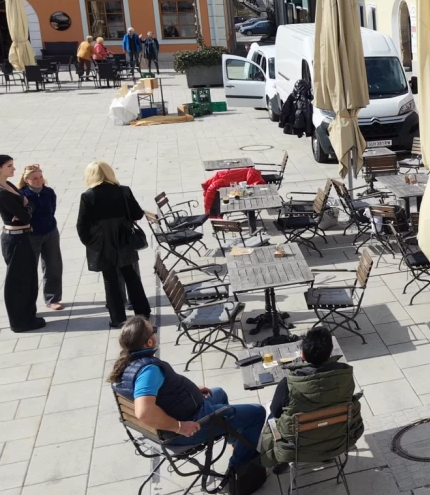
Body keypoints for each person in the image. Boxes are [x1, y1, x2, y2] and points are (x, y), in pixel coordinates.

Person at [109, 317, 266, 470]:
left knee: (218, 393)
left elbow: (163, 392)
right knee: (257, 412)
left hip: (182, 413)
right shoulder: (149, 371)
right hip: (187, 426)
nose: (155, 333)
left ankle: (238, 444)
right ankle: (239, 466)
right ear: (149, 342)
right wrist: (179, 427)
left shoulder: (126, 364)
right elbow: (144, 412)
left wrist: (192, 390)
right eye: (153, 330)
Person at [258, 326, 363, 470]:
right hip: (337, 440)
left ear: (303, 355)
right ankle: (324, 454)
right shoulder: (345, 375)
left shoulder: (288, 384)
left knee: (268, 412)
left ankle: (279, 461)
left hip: (297, 448)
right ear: (329, 353)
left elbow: (275, 412)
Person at [76, 161, 150, 328]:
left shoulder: (88, 196)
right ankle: (143, 312)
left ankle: (118, 318)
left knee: (110, 280)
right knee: (131, 276)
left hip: (102, 242)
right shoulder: (123, 191)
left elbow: (82, 225)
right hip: (123, 238)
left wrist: (90, 242)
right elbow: (137, 213)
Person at [0, 155, 44, 333]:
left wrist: (25, 207)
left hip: (23, 235)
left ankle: (29, 315)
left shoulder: (9, 185)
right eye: (9, 166)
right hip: (15, 238)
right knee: (17, 281)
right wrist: (25, 207)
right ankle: (19, 321)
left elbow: (28, 207)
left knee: (29, 279)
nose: (13, 169)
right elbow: (27, 214)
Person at [20, 164, 63, 311]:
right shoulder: (22, 195)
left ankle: (52, 298)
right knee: (29, 269)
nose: (39, 181)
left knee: (54, 266)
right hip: (32, 235)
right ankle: (28, 302)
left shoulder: (49, 192)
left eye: (40, 177)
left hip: (50, 232)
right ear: (26, 180)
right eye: (34, 178)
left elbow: (52, 209)